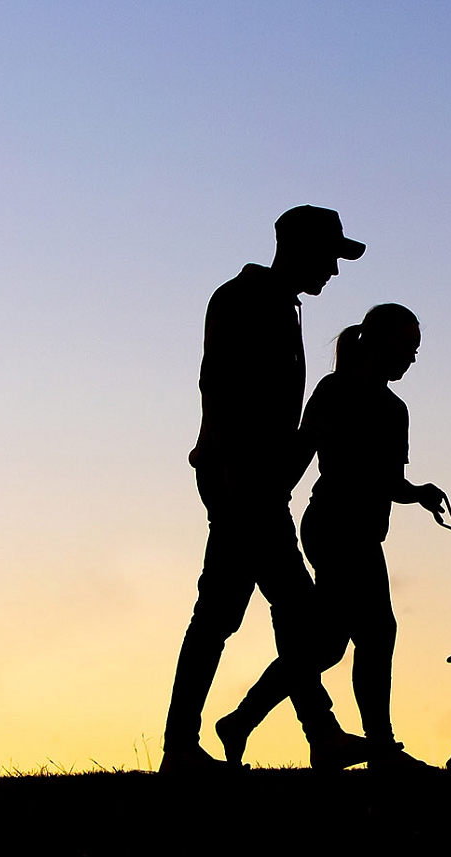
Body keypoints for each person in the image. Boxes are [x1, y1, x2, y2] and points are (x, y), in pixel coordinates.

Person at [161, 205, 370, 774]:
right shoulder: (244, 300)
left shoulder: (283, 306)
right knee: (306, 625)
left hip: (258, 485)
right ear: (300, 249)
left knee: (231, 616)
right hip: (245, 485)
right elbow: (219, 387)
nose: (333, 269)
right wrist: (225, 471)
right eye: (329, 256)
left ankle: (193, 744)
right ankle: (305, 735)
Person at [215, 303, 445, 769]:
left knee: (327, 646)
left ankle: (239, 722)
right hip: (335, 528)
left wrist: (416, 492)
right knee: (377, 634)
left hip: (362, 532)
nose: (413, 359)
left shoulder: (395, 409)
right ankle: (381, 748)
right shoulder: (335, 390)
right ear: (380, 342)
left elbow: (388, 480)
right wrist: (269, 500)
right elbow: (305, 450)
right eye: (408, 347)